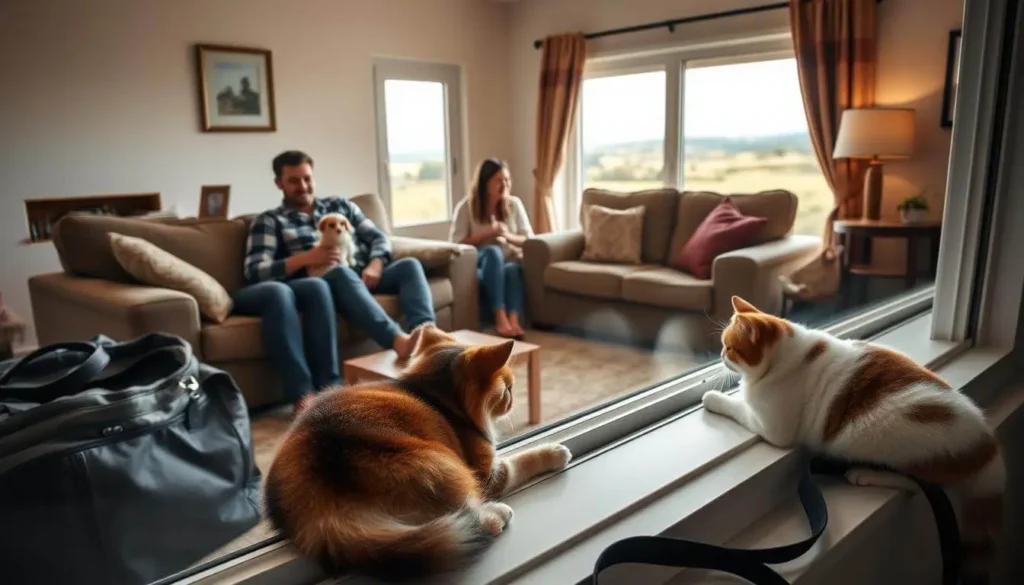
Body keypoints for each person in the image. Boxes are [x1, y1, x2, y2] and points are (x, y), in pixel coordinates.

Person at [233, 150, 436, 411]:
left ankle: (427, 338)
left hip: (362, 273)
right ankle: (397, 341)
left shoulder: (340, 206)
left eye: (307, 178)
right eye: (294, 181)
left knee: (409, 265)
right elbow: (255, 270)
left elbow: (379, 237)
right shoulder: (271, 221)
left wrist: (376, 264)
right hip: (321, 281)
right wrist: (307, 258)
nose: (303, 186)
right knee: (338, 274)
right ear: (279, 184)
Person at [449, 158, 534, 339]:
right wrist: (487, 233)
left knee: (512, 269)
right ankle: (499, 315)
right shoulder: (466, 207)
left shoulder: (515, 204)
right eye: (498, 180)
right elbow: (455, 245)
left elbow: (530, 240)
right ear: (484, 183)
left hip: (508, 258)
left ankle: (514, 320)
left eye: (507, 180)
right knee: (493, 252)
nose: (504, 184)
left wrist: (507, 236)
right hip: (480, 261)